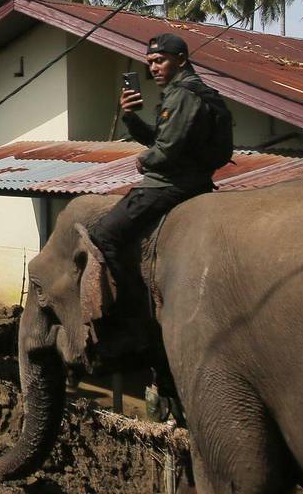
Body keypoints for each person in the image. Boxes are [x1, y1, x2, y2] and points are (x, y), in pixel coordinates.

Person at [88, 33, 231, 307]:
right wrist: (130, 118)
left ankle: (132, 306)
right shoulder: (187, 92)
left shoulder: (183, 94)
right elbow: (162, 139)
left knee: (104, 235)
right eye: (150, 62)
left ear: (181, 60)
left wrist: (144, 161)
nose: (153, 68)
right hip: (189, 178)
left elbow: (165, 150)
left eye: (160, 61)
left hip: (170, 183)